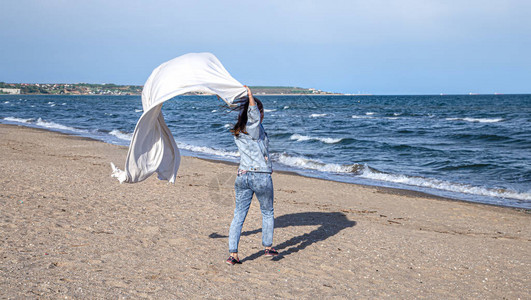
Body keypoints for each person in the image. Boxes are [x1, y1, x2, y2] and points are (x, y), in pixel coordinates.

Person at [226, 86, 278, 265]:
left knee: (238, 214)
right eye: (260, 112)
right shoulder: (254, 128)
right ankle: (267, 247)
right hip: (260, 176)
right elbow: (254, 116)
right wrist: (250, 96)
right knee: (267, 211)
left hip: (242, 176)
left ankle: (233, 255)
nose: (262, 115)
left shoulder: (238, 130)